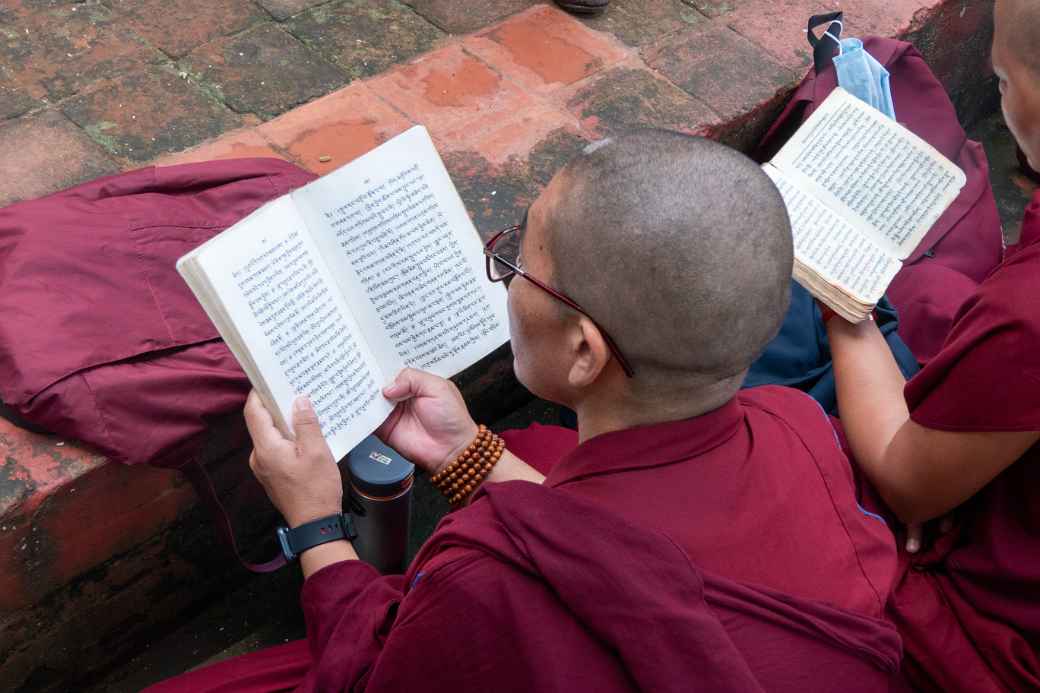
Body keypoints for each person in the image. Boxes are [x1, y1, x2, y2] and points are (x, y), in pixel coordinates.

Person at [146, 131, 902, 692]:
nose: (505, 280)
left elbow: (372, 678)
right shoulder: (799, 425)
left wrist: (314, 522)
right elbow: (620, 554)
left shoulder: (482, 580)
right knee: (540, 444)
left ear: (583, 351)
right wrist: (467, 450)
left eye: (517, 264)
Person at [825, 2, 1040, 690]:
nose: (996, 89)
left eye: (1003, 82)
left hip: (1000, 627)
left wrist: (842, 295)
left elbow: (907, 482)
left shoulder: (1027, 318)